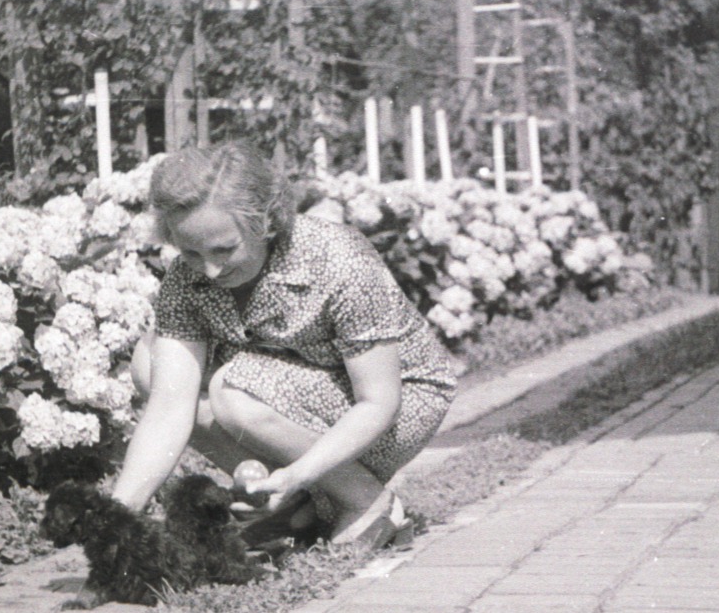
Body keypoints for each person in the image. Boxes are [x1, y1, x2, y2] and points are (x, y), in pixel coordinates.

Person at [108, 142, 458, 548]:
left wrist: (298, 473)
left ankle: (362, 499)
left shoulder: (340, 260)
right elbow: (170, 408)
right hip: (286, 392)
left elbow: (378, 401)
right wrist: (116, 519)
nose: (209, 269)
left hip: (398, 402)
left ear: (266, 222)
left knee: (233, 391)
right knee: (150, 363)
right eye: (190, 252)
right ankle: (295, 509)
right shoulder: (185, 281)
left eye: (225, 249)